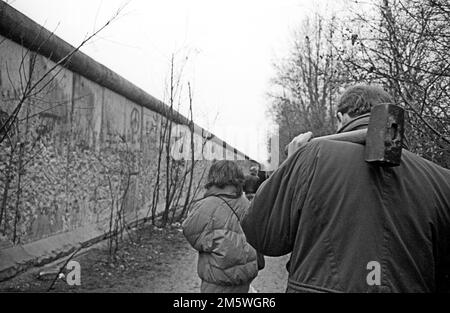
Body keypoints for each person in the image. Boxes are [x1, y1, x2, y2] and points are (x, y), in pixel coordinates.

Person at [241, 84, 450, 293]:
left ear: (341, 118)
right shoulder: (443, 180)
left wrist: (292, 162)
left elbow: (262, 235)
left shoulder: (314, 156)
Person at [182, 160, 259, 293]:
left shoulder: (205, 205)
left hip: (217, 281)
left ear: (213, 178)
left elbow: (189, 230)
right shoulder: (247, 203)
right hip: (245, 279)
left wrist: (211, 242)